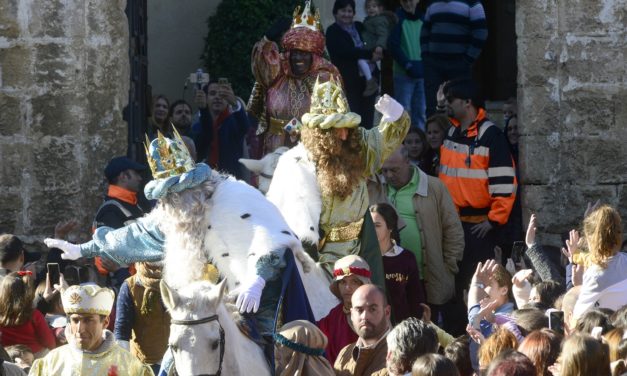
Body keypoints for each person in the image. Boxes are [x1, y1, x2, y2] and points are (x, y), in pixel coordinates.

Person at [45, 131, 315, 341]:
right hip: (204, 307)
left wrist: (257, 279)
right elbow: (132, 236)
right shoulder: (176, 216)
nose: (176, 200)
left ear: (198, 183)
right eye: (169, 195)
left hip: (256, 293)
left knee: (267, 346)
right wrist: (84, 250)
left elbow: (271, 237)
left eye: (181, 190)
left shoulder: (235, 196)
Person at [266, 76, 410, 286]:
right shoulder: (299, 163)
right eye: (336, 129)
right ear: (320, 133)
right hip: (320, 258)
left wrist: (395, 115)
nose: (343, 135)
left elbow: (386, 138)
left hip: (361, 251)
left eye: (347, 128)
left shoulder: (358, 149)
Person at [438, 78, 517, 301]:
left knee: (480, 285)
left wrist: (493, 221)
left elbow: (504, 184)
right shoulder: (452, 132)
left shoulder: (491, 136)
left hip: (479, 229)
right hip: (453, 224)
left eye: (451, 100)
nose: (448, 105)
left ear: (467, 103)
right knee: (455, 282)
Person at [376, 146, 464, 334]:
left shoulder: (434, 186)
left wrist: (450, 266)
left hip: (430, 276)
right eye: (384, 170)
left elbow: (453, 229)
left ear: (408, 162)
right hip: (393, 278)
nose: (389, 175)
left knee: (434, 331)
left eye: (394, 169)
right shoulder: (378, 188)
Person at [248, 1, 341, 156]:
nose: (298, 57)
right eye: (295, 52)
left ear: (314, 54)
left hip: (311, 149)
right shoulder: (278, 69)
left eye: (304, 53)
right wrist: (266, 39)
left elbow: (334, 119)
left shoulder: (325, 75)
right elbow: (260, 64)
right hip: (274, 148)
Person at [29, 284, 154, 375]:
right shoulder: (51, 362)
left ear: (105, 322)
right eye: (75, 320)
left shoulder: (130, 366)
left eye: (88, 320)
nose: (80, 329)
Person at [421, 0, 488, 116]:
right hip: (434, 65)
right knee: (433, 106)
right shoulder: (432, 4)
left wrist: (468, 59)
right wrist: (426, 56)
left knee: (459, 105)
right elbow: (425, 31)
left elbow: (481, 32)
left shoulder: (472, 3)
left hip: (459, 65)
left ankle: (458, 134)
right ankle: (435, 132)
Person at [326, 0, 383, 129]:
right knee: (353, 119)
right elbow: (345, 52)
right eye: (343, 11)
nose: (346, 14)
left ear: (354, 13)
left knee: (368, 120)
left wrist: (378, 48)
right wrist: (369, 54)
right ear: (335, 13)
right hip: (349, 82)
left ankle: (367, 147)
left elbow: (372, 38)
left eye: (349, 11)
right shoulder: (332, 31)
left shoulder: (359, 26)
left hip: (369, 81)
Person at [93, 156, 147, 290]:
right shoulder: (110, 211)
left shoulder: (133, 206)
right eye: (136, 174)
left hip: (138, 284)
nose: (140, 178)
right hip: (125, 288)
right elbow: (109, 261)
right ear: (123, 176)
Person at [369, 203, 425, 323]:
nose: (372, 230)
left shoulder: (406, 258)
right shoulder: (364, 258)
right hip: (372, 326)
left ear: (390, 227)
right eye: (370, 226)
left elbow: (415, 298)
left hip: (401, 328)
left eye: (377, 226)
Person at [114, 262, 169, 374]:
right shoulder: (130, 286)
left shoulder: (179, 282)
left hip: (177, 361)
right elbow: (122, 331)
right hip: (145, 366)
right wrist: (124, 368)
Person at [573, 205, 627, 319]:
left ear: (590, 239)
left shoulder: (595, 275)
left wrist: (578, 286)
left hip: (607, 332)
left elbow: (577, 317)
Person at [317, 255, 371, 364]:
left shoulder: (375, 313)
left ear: (364, 283)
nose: (347, 288)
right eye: (343, 282)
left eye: (354, 281)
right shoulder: (335, 314)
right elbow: (314, 332)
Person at [193, 79, 250, 179]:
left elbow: (244, 127)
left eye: (222, 94)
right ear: (206, 98)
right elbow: (204, 139)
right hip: (205, 182)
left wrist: (235, 103)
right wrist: (203, 110)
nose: (217, 97)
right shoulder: (198, 125)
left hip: (231, 182)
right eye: (212, 93)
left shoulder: (234, 122)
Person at [334, 284, 391, 376]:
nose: (365, 316)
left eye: (372, 309)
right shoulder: (344, 354)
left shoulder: (401, 354)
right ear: (352, 314)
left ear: (387, 312)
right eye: (359, 310)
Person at [389, 0, 426, 130]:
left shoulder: (424, 19)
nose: (408, 4)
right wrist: (407, 65)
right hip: (403, 74)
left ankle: (420, 145)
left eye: (411, 0)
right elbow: (393, 46)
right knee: (403, 112)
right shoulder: (396, 18)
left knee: (421, 112)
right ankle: (402, 145)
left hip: (421, 73)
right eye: (405, 1)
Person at [0, 272, 55, 358]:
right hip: (36, 356)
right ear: (26, 293)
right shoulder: (34, 314)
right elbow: (49, 342)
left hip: (9, 357)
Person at [360, 0, 395, 97]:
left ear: (380, 9)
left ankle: (371, 82)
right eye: (368, 7)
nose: (371, 9)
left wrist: (380, 46)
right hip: (369, 47)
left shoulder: (379, 20)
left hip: (374, 48)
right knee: (368, 64)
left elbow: (383, 35)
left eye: (374, 6)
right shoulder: (369, 20)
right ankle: (373, 82)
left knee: (361, 61)